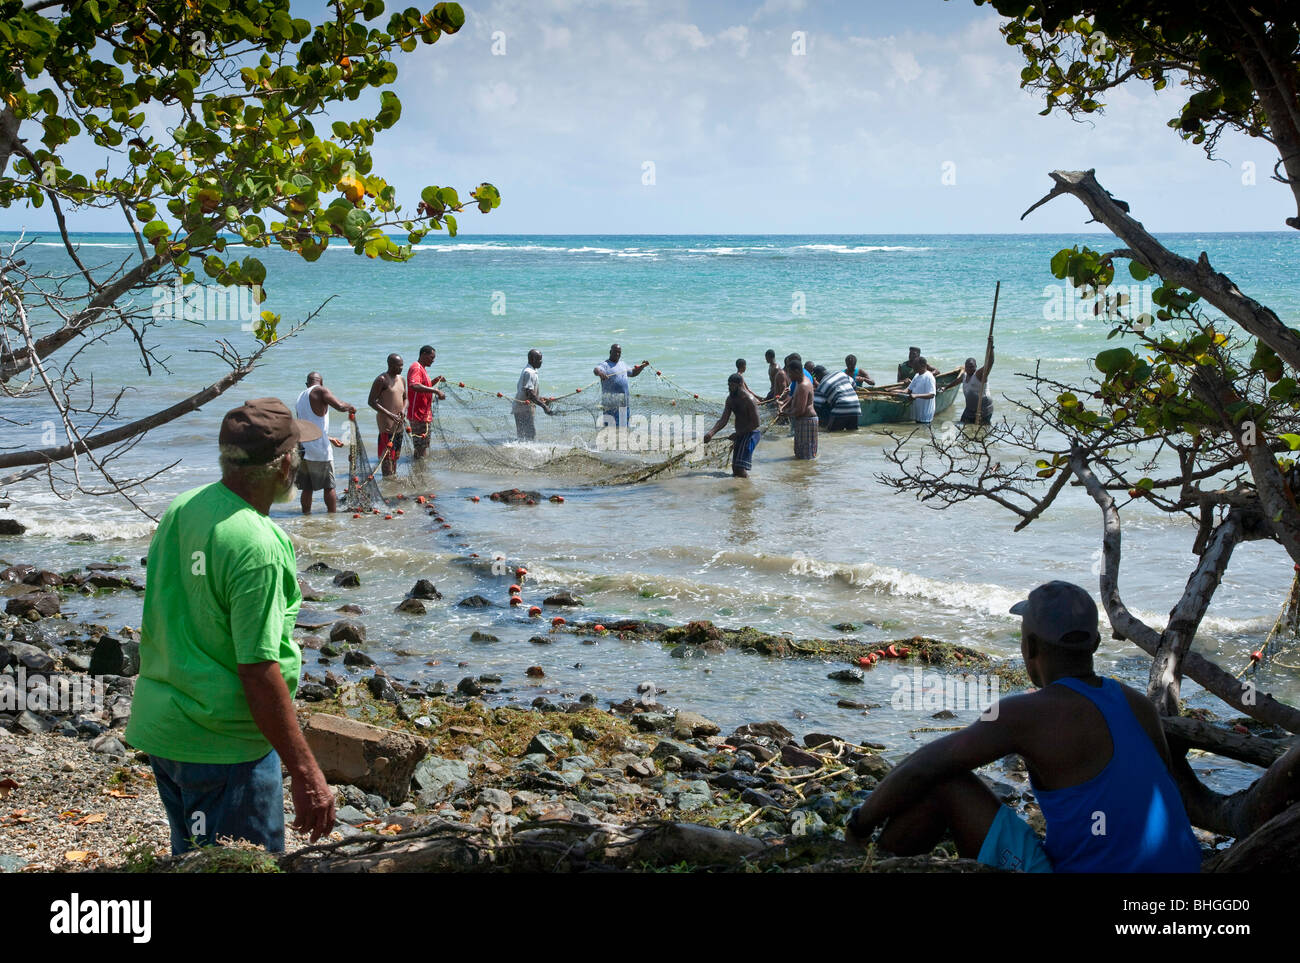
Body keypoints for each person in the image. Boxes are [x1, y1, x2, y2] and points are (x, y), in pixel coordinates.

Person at [844, 580, 1202, 873]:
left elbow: (925, 766)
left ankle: (864, 864)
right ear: (1094, 643)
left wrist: (859, 824)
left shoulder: (1023, 714)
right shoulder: (1137, 704)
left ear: (1029, 647)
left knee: (946, 783)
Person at [126, 398, 336, 854]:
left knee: (196, 860)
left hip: (165, 728)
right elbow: (258, 669)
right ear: (285, 466)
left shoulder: (185, 507)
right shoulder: (258, 544)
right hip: (224, 746)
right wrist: (306, 771)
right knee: (242, 865)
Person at [294, 371, 355, 514]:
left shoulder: (300, 397)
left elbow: (306, 425)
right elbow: (340, 406)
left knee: (307, 488)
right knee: (329, 486)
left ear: (306, 384)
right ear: (321, 383)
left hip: (303, 447)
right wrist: (350, 407)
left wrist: (330, 438)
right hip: (319, 449)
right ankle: (332, 517)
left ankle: (306, 516)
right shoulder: (321, 391)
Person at [704, 373, 762, 478]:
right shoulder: (730, 399)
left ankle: (746, 489)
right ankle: (742, 486)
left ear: (740, 385)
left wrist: (738, 433)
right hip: (739, 435)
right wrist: (711, 433)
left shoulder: (749, 400)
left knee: (740, 468)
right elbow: (723, 420)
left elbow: (756, 423)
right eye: (729, 385)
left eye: (732, 386)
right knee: (735, 469)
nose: (730, 388)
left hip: (751, 434)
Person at [367, 353, 406, 476]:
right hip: (386, 426)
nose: (401, 368)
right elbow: (371, 402)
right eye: (399, 366)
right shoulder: (381, 380)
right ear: (391, 365)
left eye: (402, 365)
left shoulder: (401, 379)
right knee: (386, 458)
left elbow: (405, 398)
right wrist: (390, 415)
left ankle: (392, 482)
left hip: (399, 425)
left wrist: (403, 410)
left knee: (395, 457)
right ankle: (387, 482)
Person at [594, 343, 650, 427]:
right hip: (610, 405)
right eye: (615, 351)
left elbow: (633, 373)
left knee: (624, 429)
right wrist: (600, 373)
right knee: (610, 430)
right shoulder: (605, 365)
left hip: (624, 404)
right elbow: (596, 370)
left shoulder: (623, 364)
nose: (617, 354)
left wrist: (642, 366)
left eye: (619, 352)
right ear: (610, 352)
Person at [406, 345, 446, 459]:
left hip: (424, 415)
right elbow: (414, 385)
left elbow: (424, 386)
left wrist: (435, 380)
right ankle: (420, 472)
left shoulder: (422, 369)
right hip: (418, 415)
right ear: (423, 354)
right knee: (420, 449)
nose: (433, 360)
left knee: (423, 446)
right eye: (431, 357)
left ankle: (420, 470)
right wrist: (436, 391)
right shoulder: (416, 368)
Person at [781, 353, 818, 459]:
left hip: (807, 421)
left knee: (807, 456)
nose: (789, 377)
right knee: (799, 454)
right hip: (802, 421)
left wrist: (785, 414)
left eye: (790, 374)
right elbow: (792, 398)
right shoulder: (798, 382)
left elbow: (800, 410)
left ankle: (807, 475)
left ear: (796, 371)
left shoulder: (803, 386)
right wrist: (783, 405)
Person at [514, 348, 554, 440]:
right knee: (529, 434)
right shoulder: (529, 372)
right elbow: (529, 393)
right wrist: (544, 406)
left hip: (523, 406)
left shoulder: (531, 370)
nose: (541, 362)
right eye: (539, 359)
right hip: (523, 408)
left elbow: (529, 392)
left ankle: (520, 450)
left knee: (525, 434)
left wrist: (541, 399)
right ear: (532, 360)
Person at [812, 364, 861, 431]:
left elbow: (817, 405)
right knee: (852, 432)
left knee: (833, 433)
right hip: (856, 406)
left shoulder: (822, 385)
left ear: (817, 376)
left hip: (840, 407)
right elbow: (854, 385)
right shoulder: (840, 373)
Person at [960, 348, 994, 424]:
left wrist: (991, 348)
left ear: (976, 367)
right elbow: (956, 382)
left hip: (984, 410)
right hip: (970, 409)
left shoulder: (978, 375)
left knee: (981, 432)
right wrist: (946, 388)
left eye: (972, 367)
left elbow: (990, 363)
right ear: (965, 367)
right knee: (963, 427)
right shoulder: (964, 376)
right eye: (967, 367)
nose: (969, 369)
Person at [904, 356, 937, 425]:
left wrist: (916, 395)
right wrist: (892, 391)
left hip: (926, 414)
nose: (913, 367)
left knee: (924, 433)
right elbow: (908, 390)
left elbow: (932, 394)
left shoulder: (929, 377)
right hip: (918, 413)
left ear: (922, 365)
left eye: (915, 365)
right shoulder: (917, 375)